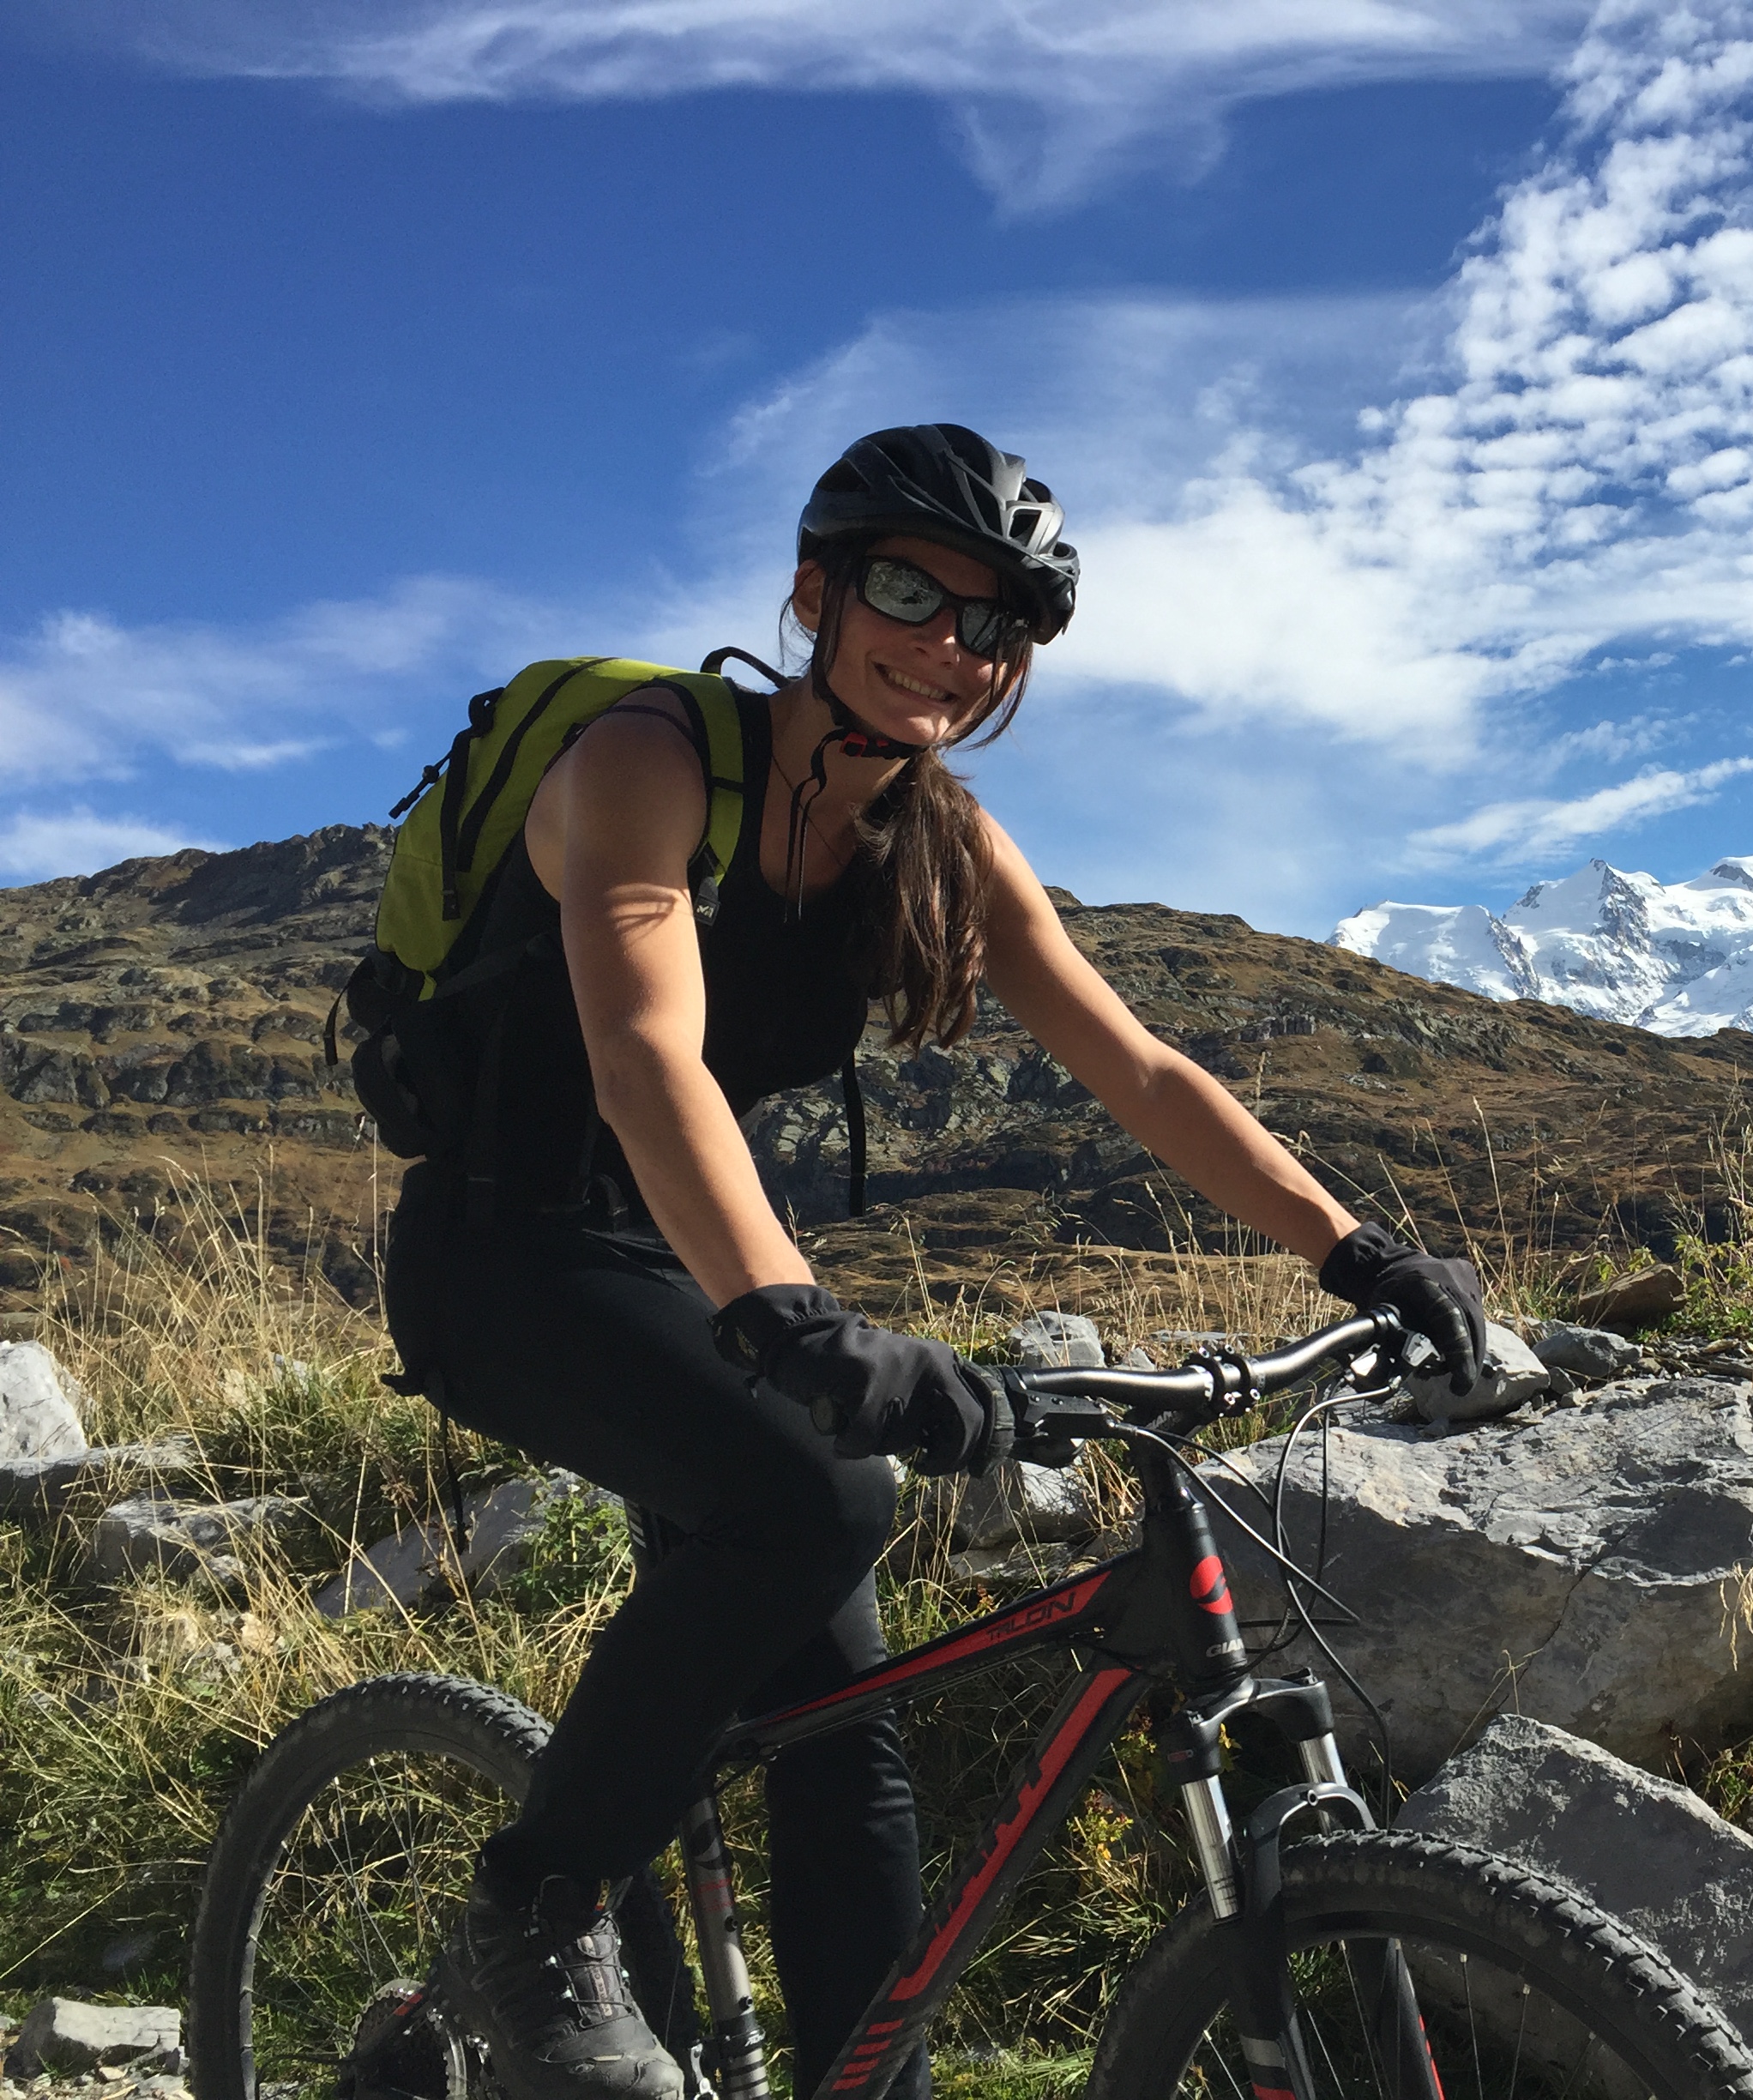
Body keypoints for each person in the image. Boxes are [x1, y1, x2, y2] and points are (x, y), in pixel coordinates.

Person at [379, 425, 1489, 2100]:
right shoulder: (649, 758)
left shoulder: (940, 845)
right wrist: (795, 1325)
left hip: (688, 1256)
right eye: (912, 591)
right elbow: (649, 1060)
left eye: (999, 626)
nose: (954, 647)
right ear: (816, 590)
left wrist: (1358, 1254)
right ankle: (528, 1914)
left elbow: (1145, 1074)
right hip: (507, 1248)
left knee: (848, 1730)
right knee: (820, 1500)